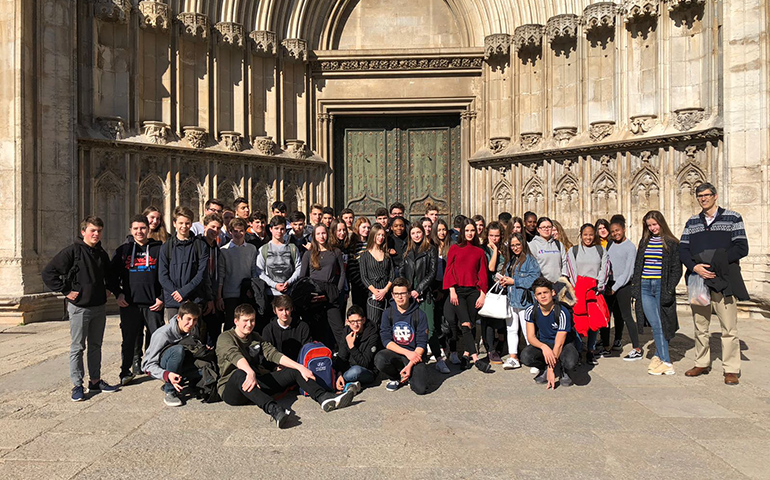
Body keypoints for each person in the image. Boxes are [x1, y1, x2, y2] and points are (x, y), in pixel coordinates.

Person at [217, 303, 356, 428]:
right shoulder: (225, 337)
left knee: (294, 370)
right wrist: (250, 372)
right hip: (232, 391)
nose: (249, 324)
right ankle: (275, 410)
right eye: (245, 321)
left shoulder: (255, 336)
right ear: (236, 321)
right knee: (240, 373)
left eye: (252, 320)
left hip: (255, 384)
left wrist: (300, 367)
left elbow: (273, 354)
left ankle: (324, 397)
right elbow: (234, 355)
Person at [42, 216, 120, 401]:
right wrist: (66, 291)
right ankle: (77, 385)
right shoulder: (72, 251)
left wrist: (109, 288)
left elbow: (109, 274)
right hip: (79, 308)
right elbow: (48, 273)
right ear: (83, 231)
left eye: (99, 231)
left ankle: (95, 380)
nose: (96, 234)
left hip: (98, 307)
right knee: (78, 347)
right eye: (92, 230)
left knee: (96, 346)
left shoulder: (101, 253)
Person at [680, 183, 749, 385]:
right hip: (699, 280)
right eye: (700, 196)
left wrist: (716, 263)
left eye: (707, 195)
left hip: (723, 280)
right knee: (700, 325)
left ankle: (731, 369)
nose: (703, 199)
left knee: (728, 327)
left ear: (715, 196)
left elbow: (742, 247)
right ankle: (701, 362)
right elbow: (683, 250)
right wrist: (695, 268)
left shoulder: (732, 218)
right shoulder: (692, 222)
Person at [111, 215, 165, 385]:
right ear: (130, 230)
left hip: (153, 303)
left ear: (148, 229)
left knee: (157, 337)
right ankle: (126, 371)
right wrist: (117, 294)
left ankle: (153, 366)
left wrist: (162, 297)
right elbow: (111, 276)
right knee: (129, 339)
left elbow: (166, 275)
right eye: (135, 228)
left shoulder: (159, 249)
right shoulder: (123, 250)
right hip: (130, 304)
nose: (139, 231)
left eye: (142, 228)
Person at [630, 211, 682, 376]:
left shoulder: (671, 243)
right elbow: (639, 265)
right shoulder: (645, 241)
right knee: (655, 324)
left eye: (654, 224)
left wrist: (669, 288)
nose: (652, 228)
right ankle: (660, 357)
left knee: (661, 324)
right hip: (645, 286)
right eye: (649, 225)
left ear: (661, 223)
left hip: (661, 286)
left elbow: (676, 269)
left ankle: (666, 361)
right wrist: (636, 288)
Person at [443, 218, 492, 373]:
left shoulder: (479, 252)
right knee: (465, 323)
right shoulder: (455, 249)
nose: (470, 233)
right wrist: (451, 290)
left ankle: (465, 356)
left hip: (473, 292)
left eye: (472, 230)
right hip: (458, 291)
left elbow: (483, 274)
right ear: (462, 232)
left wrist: (483, 294)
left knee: (469, 324)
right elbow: (449, 270)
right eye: (467, 230)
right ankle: (476, 359)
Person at [563, 223, 611, 365]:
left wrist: (600, 285)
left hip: (593, 290)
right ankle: (578, 351)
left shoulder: (600, 250)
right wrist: (576, 288)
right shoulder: (574, 250)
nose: (588, 237)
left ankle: (591, 350)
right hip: (578, 289)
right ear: (581, 235)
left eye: (591, 234)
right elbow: (570, 269)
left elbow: (605, 268)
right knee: (578, 320)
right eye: (585, 235)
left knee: (593, 321)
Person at [520, 277, 580, 389]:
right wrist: (544, 347)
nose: (542, 296)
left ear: (552, 293)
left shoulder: (562, 312)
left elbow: (559, 344)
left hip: (563, 344)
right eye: (539, 294)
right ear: (535, 296)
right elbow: (531, 337)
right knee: (525, 357)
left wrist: (552, 370)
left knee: (570, 362)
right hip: (544, 342)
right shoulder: (530, 311)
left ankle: (563, 369)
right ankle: (544, 367)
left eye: (545, 292)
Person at [403, 224, 447, 373]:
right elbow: (402, 271)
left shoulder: (430, 250)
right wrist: (407, 291)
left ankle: (439, 359)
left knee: (430, 328)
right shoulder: (407, 250)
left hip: (424, 293)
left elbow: (432, 273)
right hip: (408, 294)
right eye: (413, 233)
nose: (416, 235)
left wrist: (419, 290)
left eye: (418, 232)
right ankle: (413, 360)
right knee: (411, 328)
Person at [141, 301, 203, 407]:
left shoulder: (192, 329)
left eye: (195, 320)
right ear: (179, 318)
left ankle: (187, 382)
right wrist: (166, 374)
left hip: (181, 363)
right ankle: (170, 391)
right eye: (188, 319)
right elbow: (147, 366)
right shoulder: (162, 334)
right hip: (164, 366)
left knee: (206, 368)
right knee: (177, 350)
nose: (191, 323)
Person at [374, 278, 431, 394]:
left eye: (403, 293)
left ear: (409, 294)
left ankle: (408, 373)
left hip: (415, 356)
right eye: (396, 294)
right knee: (380, 358)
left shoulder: (420, 315)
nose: (400, 297)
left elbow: (422, 343)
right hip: (397, 353)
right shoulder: (387, 313)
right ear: (392, 295)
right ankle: (396, 377)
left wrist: (410, 364)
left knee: (420, 389)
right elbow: (386, 340)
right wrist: (406, 352)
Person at [158, 206, 211, 322]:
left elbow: (201, 274)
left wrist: (184, 292)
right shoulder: (166, 247)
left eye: (187, 223)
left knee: (193, 336)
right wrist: (177, 294)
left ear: (191, 224)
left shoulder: (200, 246)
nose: (184, 226)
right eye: (180, 223)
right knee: (174, 335)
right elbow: (162, 276)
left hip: (193, 299)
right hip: (173, 301)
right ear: (174, 223)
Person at [299, 224, 347, 348]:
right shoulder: (308, 254)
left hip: (331, 293)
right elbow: (302, 277)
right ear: (314, 236)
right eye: (318, 233)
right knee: (317, 328)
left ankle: (343, 357)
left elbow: (342, 273)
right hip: (314, 294)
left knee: (338, 328)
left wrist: (338, 290)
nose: (322, 236)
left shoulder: (335, 252)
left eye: (324, 233)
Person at [499, 232, 541, 370]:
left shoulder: (530, 260)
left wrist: (514, 281)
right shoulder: (511, 260)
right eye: (512, 245)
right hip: (512, 300)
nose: (515, 248)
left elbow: (534, 279)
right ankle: (513, 357)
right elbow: (508, 277)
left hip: (525, 301)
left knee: (528, 331)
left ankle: (534, 360)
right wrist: (504, 281)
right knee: (511, 329)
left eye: (518, 245)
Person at [602, 215, 641, 361]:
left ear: (623, 229)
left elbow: (629, 271)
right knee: (606, 316)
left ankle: (636, 348)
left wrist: (616, 287)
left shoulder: (630, 247)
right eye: (612, 231)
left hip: (623, 285)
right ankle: (606, 346)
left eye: (617, 230)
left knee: (625, 316)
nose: (615, 233)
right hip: (609, 284)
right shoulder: (610, 244)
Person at [217, 218, 258, 338]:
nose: (238, 234)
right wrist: (219, 296)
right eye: (235, 231)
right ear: (230, 232)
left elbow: (254, 271)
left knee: (247, 324)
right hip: (230, 293)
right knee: (230, 325)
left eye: (241, 231)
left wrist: (253, 289)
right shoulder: (224, 250)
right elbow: (221, 274)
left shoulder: (251, 249)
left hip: (246, 292)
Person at [334, 305, 380, 391]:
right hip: (348, 367)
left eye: (358, 321)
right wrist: (339, 373)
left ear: (363, 320)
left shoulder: (373, 335)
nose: (355, 325)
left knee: (355, 372)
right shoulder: (346, 331)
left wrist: (352, 346)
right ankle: (350, 384)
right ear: (347, 322)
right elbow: (342, 356)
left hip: (366, 370)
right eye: (352, 322)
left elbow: (365, 363)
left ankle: (345, 383)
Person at [480, 221, 507, 364]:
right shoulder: (484, 249)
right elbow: (490, 268)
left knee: (501, 318)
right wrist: (495, 251)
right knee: (488, 319)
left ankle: (501, 344)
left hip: (503, 286)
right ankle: (490, 349)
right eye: (491, 235)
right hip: (489, 286)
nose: (494, 238)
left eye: (497, 236)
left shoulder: (505, 248)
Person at [257, 216, 302, 301]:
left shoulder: (292, 248)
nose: (279, 232)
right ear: (271, 229)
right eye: (276, 228)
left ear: (285, 230)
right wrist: (274, 285)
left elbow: (299, 267)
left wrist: (288, 282)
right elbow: (259, 271)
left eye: (282, 229)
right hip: (270, 294)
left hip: (289, 293)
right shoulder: (264, 249)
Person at [431, 219, 456, 364]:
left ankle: (453, 350)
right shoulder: (431, 246)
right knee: (437, 320)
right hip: (434, 287)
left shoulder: (452, 246)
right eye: (439, 230)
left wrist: (444, 289)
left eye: (444, 229)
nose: (442, 232)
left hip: (449, 288)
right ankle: (440, 347)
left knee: (451, 320)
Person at [359, 223, 395, 326]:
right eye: (378, 235)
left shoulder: (387, 255)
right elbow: (364, 277)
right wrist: (375, 292)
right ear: (373, 235)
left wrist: (385, 291)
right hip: (373, 294)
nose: (381, 237)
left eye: (383, 235)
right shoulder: (365, 255)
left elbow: (392, 275)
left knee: (387, 324)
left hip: (386, 293)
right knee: (373, 323)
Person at [261, 295, 311, 368]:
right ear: (275, 311)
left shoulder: (303, 327)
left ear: (291, 309)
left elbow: (307, 350)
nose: (284, 313)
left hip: (300, 367)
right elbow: (265, 354)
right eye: (280, 310)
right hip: (278, 369)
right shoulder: (268, 330)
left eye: (287, 309)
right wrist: (274, 367)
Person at [200, 213, 224, 345]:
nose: (215, 231)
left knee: (213, 333)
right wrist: (208, 298)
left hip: (214, 295)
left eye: (218, 228)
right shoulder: (198, 245)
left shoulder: (216, 248)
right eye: (212, 227)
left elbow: (218, 274)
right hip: (201, 295)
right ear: (204, 227)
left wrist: (218, 297)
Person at [529, 217, 567, 284]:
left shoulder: (558, 244)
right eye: (543, 227)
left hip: (558, 285)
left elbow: (564, 262)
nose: (546, 229)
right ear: (538, 229)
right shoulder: (533, 245)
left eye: (549, 227)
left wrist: (562, 278)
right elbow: (532, 266)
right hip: (542, 285)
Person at [347, 217, 371, 310]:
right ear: (358, 228)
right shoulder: (352, 244)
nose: (366, 230)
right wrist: (362, 283)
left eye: (368, 228)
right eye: (364, 227)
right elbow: (351, 267)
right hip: (358, 284)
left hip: (371, 285)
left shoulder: (371, 244)